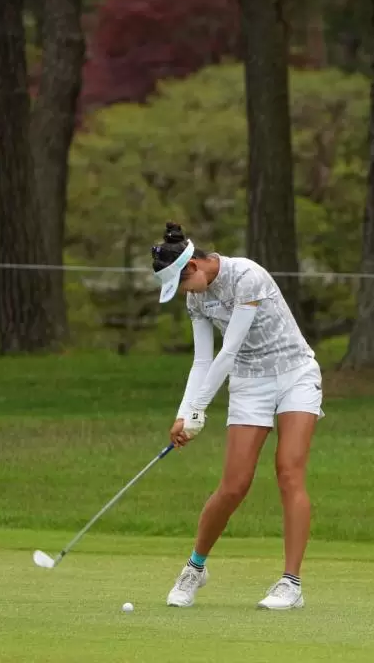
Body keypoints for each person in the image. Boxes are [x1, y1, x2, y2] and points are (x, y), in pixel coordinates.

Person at [151, 221, 323, 611]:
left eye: (181, 283)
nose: (182, 293)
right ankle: (195, 568)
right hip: (250, 382)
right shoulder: (197, 299)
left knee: (289, 471)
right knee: (233, 485)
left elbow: (227, 350)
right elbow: (201, 361)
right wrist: (184, 414)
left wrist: (200, 408)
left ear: (192, 266)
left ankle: (291, 583)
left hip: (295, 372)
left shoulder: (247, 275)